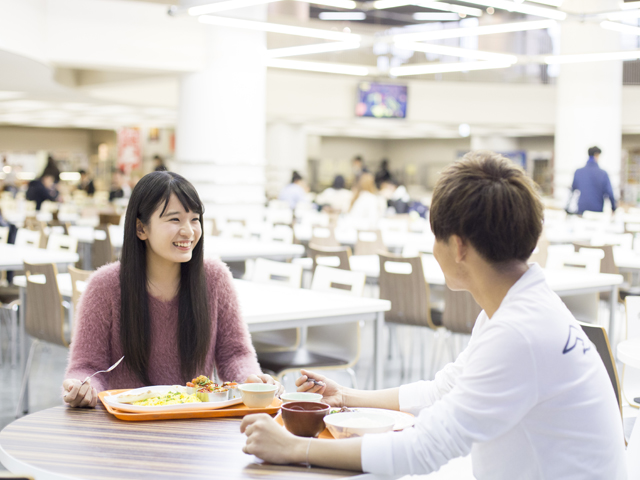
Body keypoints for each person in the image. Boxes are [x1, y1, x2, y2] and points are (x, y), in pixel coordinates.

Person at [240, 151, 626, 479]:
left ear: (458, 246)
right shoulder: (517, 306)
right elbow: (444, 390)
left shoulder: (520, 330)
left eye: (435, 237)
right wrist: (345, 395)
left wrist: (294, 449)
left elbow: (425, 448)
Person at [63, 171, 282, 407]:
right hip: (128, 424)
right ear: (141, 229)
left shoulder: (215, 278)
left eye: (195, 219)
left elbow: (235, 354)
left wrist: (251, 379)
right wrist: (83, 387)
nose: (189, 231)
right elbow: (86, 366)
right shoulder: (104, 286)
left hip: (195, 421)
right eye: (175, 219)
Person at [571, 146, 616, 215]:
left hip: (581, 210)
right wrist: (613, 208)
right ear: (596, 155)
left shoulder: (578, 172)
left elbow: (573, 189)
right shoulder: (603, 173)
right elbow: (609, 193)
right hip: (597, 211)